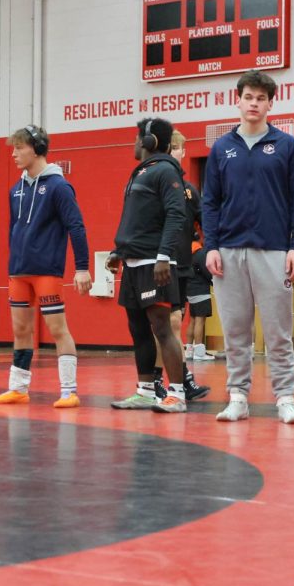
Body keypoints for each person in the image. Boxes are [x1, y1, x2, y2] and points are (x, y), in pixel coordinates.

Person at [202, 70, 294, 424]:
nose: (254, 103)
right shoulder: (222, 148)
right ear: (238, 100)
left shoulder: (286, 146)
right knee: (235, 330)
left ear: (270, 104)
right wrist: (211, 246)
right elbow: (210, 202)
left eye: (261, 98)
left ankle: (285, 398)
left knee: (278, 331)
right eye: (249, 97)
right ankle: (238, 397)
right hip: (228, 252)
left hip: (274, 250)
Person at [0, 125, 91, 408]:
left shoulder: (59, 186)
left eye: (19, 148)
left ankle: (69, 391)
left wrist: (82, 267)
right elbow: (13, 230)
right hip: (19, 271)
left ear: (36, 148)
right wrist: (12, 265)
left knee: (58, 329)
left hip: (47, 270)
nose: (14, 154)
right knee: (20, 330)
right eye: (13, 148)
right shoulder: (15, 190)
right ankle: (18, 388)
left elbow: (76, 227)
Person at [108, 118, 189, 413]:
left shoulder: (165, 170)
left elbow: (176, 215)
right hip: (133, 261)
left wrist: (164, 256)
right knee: (138, 329)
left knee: (162, 329)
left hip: (155, 262)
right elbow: (136, 219)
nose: (134, 143)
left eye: (137, 138)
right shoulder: (141, 173)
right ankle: (144, 391)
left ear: (150, 141)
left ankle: (177, 395)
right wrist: (119, 251)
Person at [164, 130, 209, 400]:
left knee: (174, 322)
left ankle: (180, 380)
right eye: (170, 149)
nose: (174, 154)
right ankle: (159, 381)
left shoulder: (190, 191)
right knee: (164, 324)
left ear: (183, 152)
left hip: (181, 266)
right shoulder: (153, 185)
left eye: (178, 150)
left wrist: (215, 248)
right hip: (157, 264)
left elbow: (206, 222)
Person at [184, 243, 213, 361]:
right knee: (200, 320)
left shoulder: (186, 251)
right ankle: (199, 353)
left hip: (190, 290)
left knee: (192, 320)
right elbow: (207, 272)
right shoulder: (200, 253)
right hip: (201, 290)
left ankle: (189, 351)